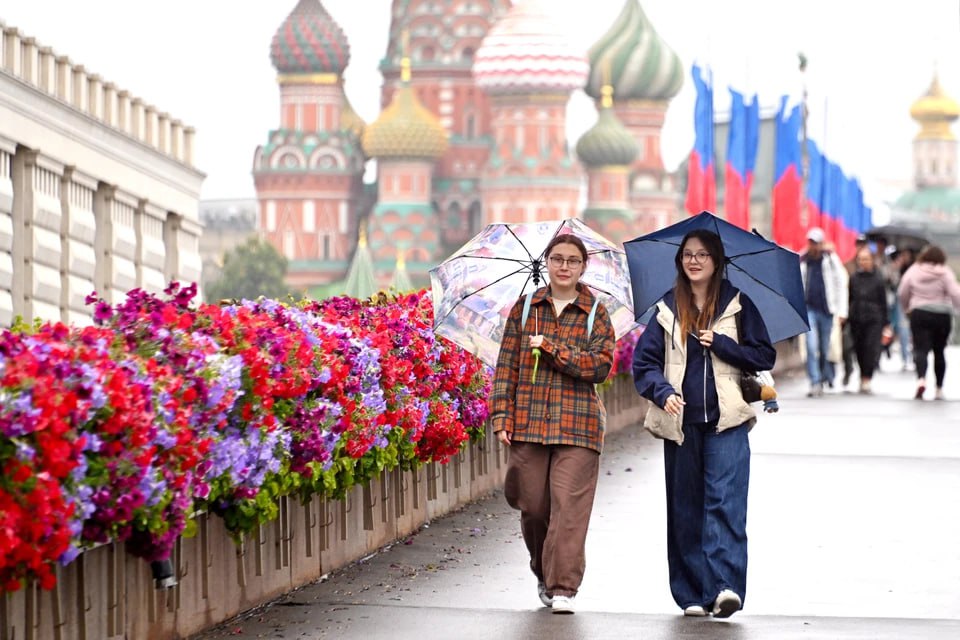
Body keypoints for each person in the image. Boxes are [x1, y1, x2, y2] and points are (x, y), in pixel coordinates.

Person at [632, 229, 776, 619]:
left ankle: (725, 587)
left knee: (726, 504)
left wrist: (724, 345)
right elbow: (644, 363)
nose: (693, 261)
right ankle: (692, 592)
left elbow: (764, 355)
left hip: (728, 421)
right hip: (681, 423)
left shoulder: (738, 305)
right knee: (686, 509)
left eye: (702, 255)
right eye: (687, 255)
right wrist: (662, 391)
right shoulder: (667, 309)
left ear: (717, 261)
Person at [489, 234, 615, 615]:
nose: (564, 266)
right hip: (529, 422)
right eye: (558, 259)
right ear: (547, 262)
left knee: (568, 508)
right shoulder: (526, 308)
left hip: (578, 425)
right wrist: (501, 415)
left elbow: (600, 366)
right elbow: (506, 365)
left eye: (573, 261)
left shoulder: (595, 313)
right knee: (533, 506)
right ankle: (543, 571)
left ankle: (563, 586)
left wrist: (551, 349)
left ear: (583, 267)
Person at [897, 244, 960, 400]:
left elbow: (902, 291)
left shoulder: (914, 270)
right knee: (939, 351)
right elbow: (955, 293)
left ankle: (921, 379)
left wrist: (906, 307)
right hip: (942, 315)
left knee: (920, 349)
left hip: (919, 313)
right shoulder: (945, 272)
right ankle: (939, 388)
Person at [799, 227, 848, 396]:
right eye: (811, 243)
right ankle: (815, 381)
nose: (813, 246)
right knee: (811, 346)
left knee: (824, 348)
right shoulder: (802, 260)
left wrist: (842, 311)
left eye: (816, 243)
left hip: (827, 310)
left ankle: (822, 375)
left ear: (821, 244)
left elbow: (841, 285)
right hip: (809, 310)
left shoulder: (831, 260)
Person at [847, 247, 890, 394]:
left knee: (871, 348)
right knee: (859, 349)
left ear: (871, 261)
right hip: (856, 318)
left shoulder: (878, 278)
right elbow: (850, 298)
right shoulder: (854, 278)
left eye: (866, 259)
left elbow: (883, 301)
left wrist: (886, 322)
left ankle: (867, 377)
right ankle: (862, 374)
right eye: (860, 259)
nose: (863, 262)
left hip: (874, 319)